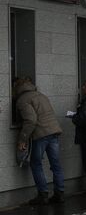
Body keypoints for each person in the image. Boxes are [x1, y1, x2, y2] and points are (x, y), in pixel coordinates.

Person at [14, 77, 65, 205]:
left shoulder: (22, 100)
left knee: (36, 164)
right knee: (56, 164)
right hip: (53, 131)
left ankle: (43, 195)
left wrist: (22, 139)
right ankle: (60, 193)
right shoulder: (41, 95)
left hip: (41, 134)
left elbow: (31, 120)